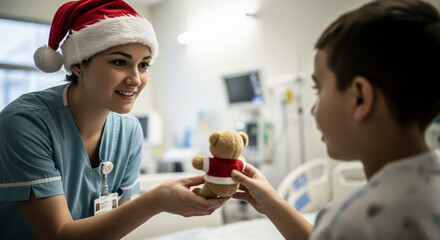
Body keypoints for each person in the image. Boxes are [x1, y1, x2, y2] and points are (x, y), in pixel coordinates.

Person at [0, 0, 228, 239]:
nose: (136, 79)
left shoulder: (129, 132)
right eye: (120, 62)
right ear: (78, 63)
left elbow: (115, 227)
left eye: (143, 65)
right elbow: (57, 235)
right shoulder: (25, 123)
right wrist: (155, 201)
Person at [230, 0, 440, 239]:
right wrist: (271, 202)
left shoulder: (351, 223)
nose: (312, 110)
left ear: (360, 98)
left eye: (318, 89)